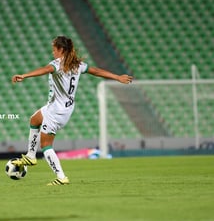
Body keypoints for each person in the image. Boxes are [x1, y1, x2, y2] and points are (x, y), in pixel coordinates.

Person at [11, 36, 133, 186]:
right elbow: (95, 70)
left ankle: (61, 177)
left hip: (56, 111)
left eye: (54, 49)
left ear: (61, 49)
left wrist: (24, 75)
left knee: (46, 146)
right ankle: (30, 156)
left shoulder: (57, 64)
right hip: (62, 108)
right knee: (34, 119)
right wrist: (117, 77)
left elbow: (45, 70)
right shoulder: (78, 65)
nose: (53, 52)